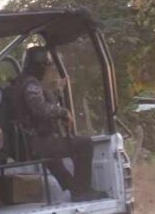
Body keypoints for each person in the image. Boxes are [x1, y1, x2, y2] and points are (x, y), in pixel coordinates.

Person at [13, 46, 102, 201]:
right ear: (39, 67)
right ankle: (82, 191)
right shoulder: (30, 84)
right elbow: (39, 108)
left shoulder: (21, 83)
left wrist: (58, 92)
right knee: (85, 144)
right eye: (46, 66)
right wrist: (63, 112)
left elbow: (37, 103)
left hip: (27, 143)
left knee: (54, 158)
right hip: (38, 142)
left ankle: (73, 188)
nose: (47, 70)